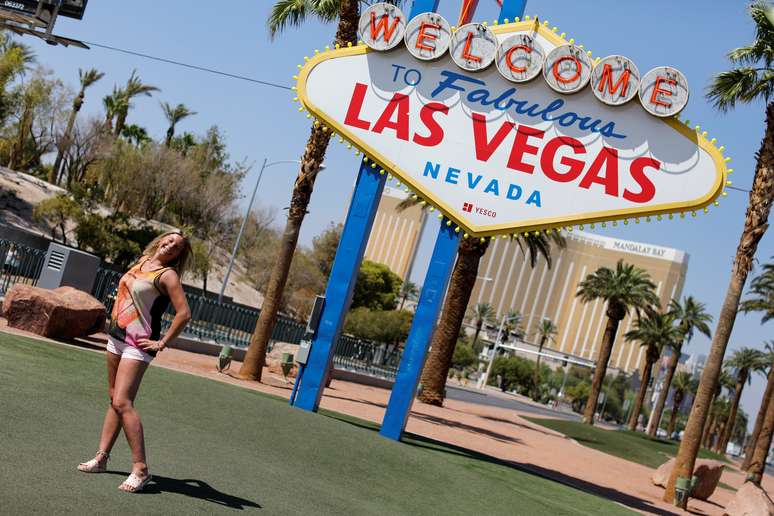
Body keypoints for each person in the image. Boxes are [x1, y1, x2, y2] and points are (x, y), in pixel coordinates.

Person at [77, 231, 192, 493]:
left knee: (122, 402)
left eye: (177, 246)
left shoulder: (167, 275)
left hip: (138, 345)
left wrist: (162, 343)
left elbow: (184, 314)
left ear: (178, 255)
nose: (170, 245)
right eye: (169, 240)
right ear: (161, 239)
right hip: (116, 338)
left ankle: (141, 469)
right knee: (113, 399)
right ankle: (102, 458)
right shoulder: (142, 261)